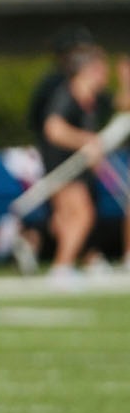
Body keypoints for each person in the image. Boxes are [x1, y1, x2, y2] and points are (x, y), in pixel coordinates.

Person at [40, 46, 120, 289]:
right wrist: (86, 141)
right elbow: (54, 129)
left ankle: (66, 265)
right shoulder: (68, 94)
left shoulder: (92, 98)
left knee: (68, 218)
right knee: (82, 214)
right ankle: (61, 267)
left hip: (77, 166)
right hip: (62, 165)